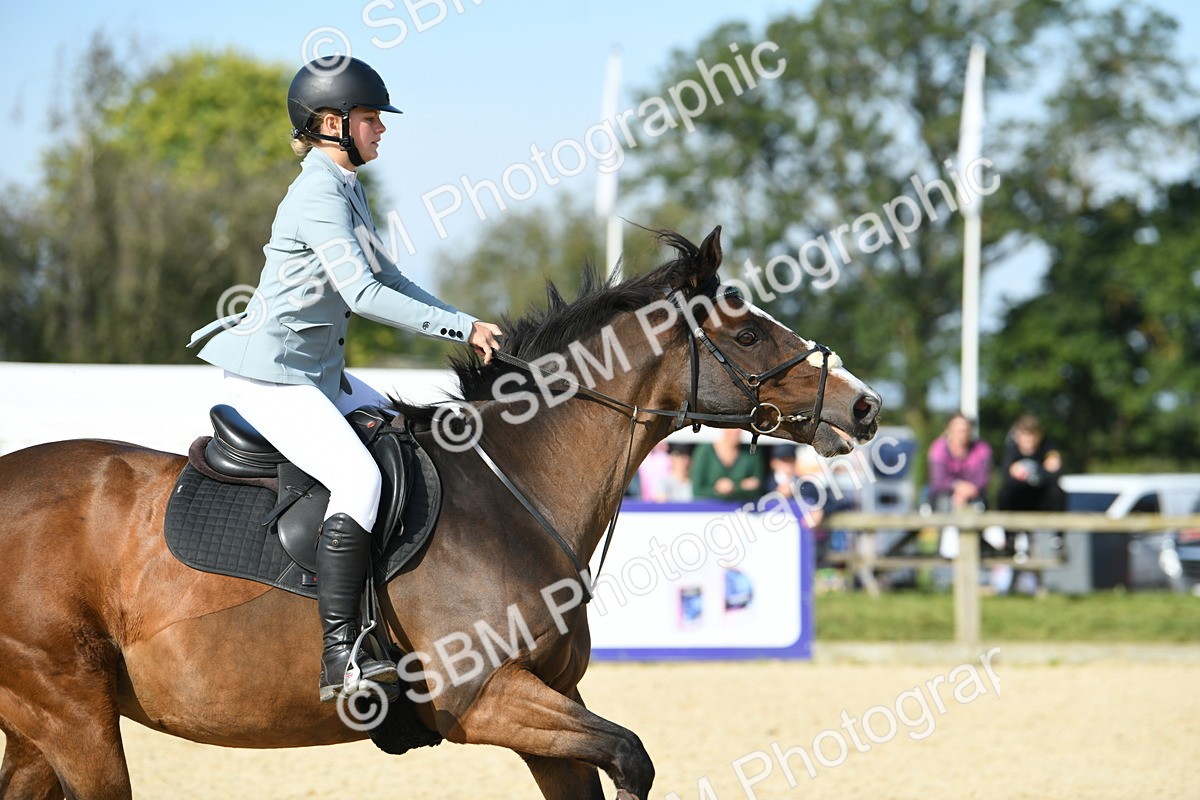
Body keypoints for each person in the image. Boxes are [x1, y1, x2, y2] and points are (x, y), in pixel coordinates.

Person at [187, 56, 502, 702]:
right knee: (358, 479)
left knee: (401, 428)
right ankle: (342, 652)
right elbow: (361, 294)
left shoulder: (348, 187)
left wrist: (465, 322)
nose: (381, 130)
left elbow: (390, 278)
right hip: (272, 378)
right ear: (332, 123)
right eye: (371, 119)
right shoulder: (315, 194)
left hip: (318, 374)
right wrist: (458, 332)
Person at [927, 412, 992, 512]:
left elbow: (983, 479)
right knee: (944, 500)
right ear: (949, 431)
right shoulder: (938, 449)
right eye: (959, 431)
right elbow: (938, 480)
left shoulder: (982, 448)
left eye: (965, 431)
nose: (963, 435)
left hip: (975, 495)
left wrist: (965, 492)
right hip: (944, 498)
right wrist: (958, 486)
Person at [691, 429, 763, 502]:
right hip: (709, 510)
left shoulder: (751, 453)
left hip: (742, 510)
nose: (736, 431)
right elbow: (697, 490)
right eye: (733, 427)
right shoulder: (704, 452)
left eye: (739, 427)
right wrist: (719, 490)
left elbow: (757, 486)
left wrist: (734, 487)